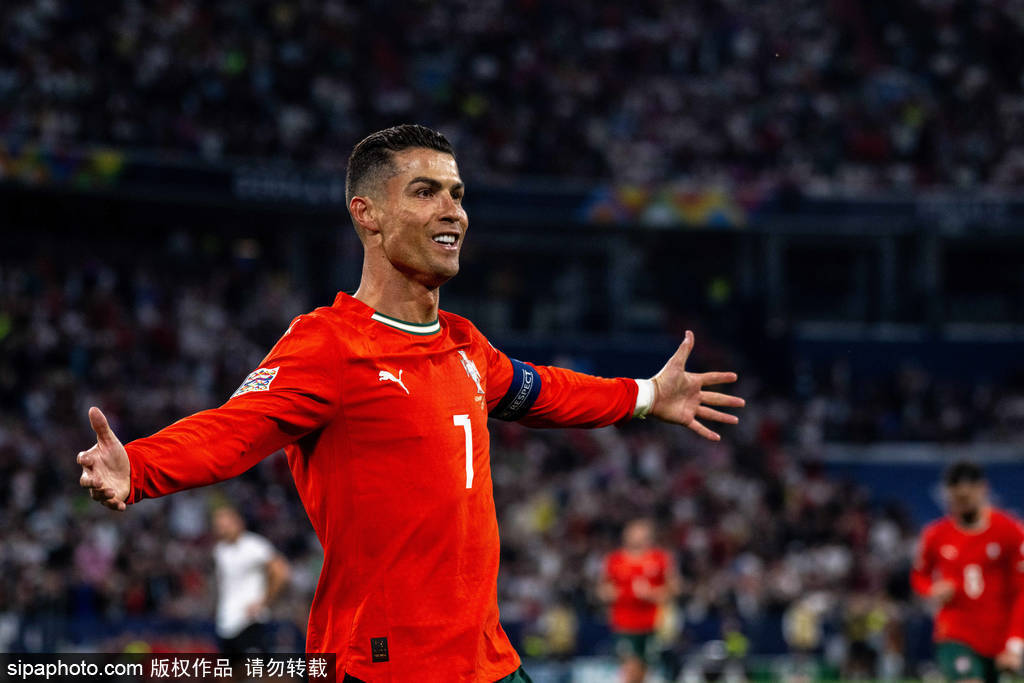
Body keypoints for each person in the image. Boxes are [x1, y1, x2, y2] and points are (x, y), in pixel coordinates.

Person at [76, 124, 744, 682]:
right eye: (425, 192)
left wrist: (647, 394)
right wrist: (140, 467)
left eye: (457, 194)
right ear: (366, 213)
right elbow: (236, 428)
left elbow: (544, 389)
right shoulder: (329, 344)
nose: (453, 210)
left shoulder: (464, 344)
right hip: (383, 665)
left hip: (486, 661)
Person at [911, 461, 1024, 683]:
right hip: (955, 632)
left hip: (997, 637)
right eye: (957, 498)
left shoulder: (1009, 531)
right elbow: (919, 575)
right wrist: (932, 589)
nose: (962, 503)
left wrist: (1014, 644)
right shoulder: (936, 535)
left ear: (983, 489)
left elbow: (1021, 591)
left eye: (967, 497)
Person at [598, 518, 683, 683]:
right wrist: (608, 593)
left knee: (644, 670)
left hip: (652, 624)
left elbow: (675, 588)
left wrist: (652, 593)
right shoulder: (615, 560)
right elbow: (602, 588)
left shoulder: (660, 558)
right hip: (624, 624)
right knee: (630, 667)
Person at [211, 505, 291, 655]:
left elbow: (281, 571)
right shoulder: (220, 550)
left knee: (255, 668)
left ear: (238, 522)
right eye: (218, 526)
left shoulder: (254, 545)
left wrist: (264, 602)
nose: (222, 529)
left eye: (225, 524)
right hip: (226, 621)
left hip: (250, 621)